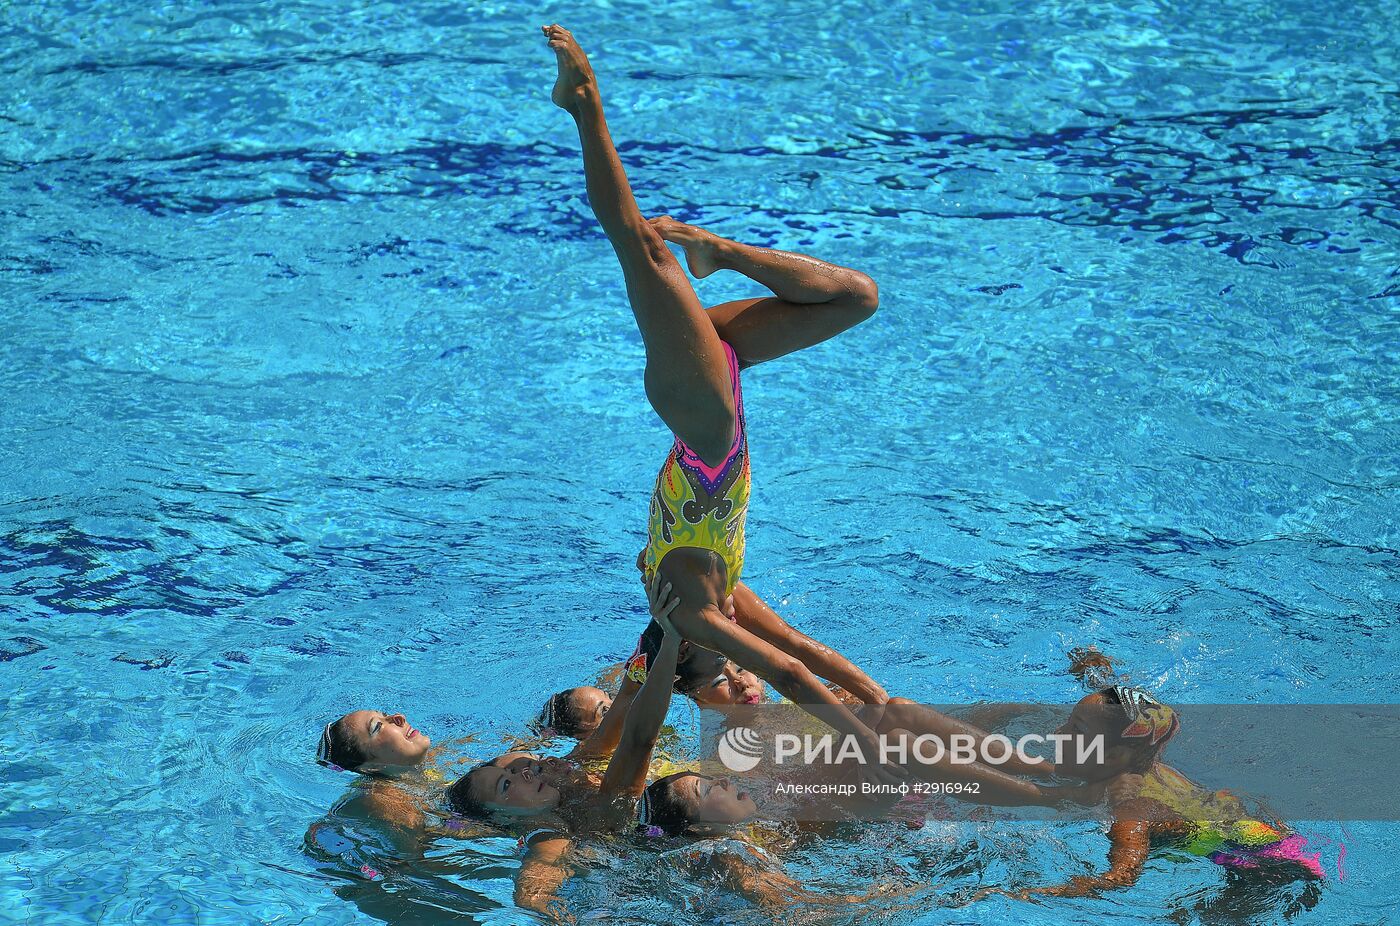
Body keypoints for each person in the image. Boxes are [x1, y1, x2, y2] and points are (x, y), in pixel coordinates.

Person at [541, 24, 903, 784]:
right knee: (856, 299)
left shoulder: (696, 616)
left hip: (700, 417)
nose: (742, 672)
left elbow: (795, 682)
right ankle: (723, 251)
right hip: (720, 411)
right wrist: (881, 700)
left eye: (725, 673)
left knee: (640, 247)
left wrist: (877, 754)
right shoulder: (725, 600)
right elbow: (806, 654)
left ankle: (584, 110)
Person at [976, 686, 1326, 901]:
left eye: (1075, 729)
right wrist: (1095, 668)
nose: (1057, 730)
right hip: (1264, 833)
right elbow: (1120, 705)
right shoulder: (1145, 752)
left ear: (1111, 758)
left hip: (1264, 870)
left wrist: (1037, 893)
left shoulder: (1130, 808)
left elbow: (1122, 877)